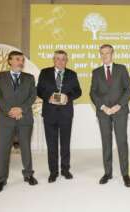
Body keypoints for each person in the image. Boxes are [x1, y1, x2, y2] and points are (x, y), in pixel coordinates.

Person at [0, 51, 38, 193]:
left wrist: (20, 109)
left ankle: (28, 174)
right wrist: (9, 110)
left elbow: (32, 96)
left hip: (24, 118)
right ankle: (1, 179)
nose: (20, 62)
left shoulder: (29, 78)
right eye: (17, 59)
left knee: (25, 148)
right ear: (10, 61)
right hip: (6, 118)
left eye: (22, 60)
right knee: (3, 150)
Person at [90, 44, 130, 187]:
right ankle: (107, 173)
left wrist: (118, 105)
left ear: (112, 54)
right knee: (106, 143)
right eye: (102, 53)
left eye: (107, 53)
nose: (104, 56)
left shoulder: (122, 69)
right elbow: (93, 93)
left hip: (120, 111)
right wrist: (103, 107)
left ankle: (125, 174)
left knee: (122, 142)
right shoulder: (96, 72)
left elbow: (129, 90)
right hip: (103, 113)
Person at [37, 50, 82, 183]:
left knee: (65, 144)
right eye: (58, 59)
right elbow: (38, 90)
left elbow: (78, 91)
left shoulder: (72, 74)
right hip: (49, 113)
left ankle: (65, 170)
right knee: (51, 145)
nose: (60, 61)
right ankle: (53, 172)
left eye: (63, 59)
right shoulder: (44, 72)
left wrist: (68, 97)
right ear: (53, 60)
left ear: (66, 61)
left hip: (66, 114)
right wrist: (48, 97)